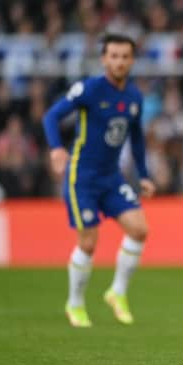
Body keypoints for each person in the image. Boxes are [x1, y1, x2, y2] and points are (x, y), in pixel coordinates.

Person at [43, 33, 155, 328]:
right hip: (82, 177)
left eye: (124, 57)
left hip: (112, 177)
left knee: (139, 229)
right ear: (104, 59)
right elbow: (51, 116)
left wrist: (143, 175)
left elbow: (137, 138)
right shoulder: (89, 89)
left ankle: (117, 293)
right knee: (89, 242)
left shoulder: (133, 97)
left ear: (131, 60)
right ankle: (75, 304)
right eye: (114, 56)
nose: (119, 62)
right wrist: (56, 149)